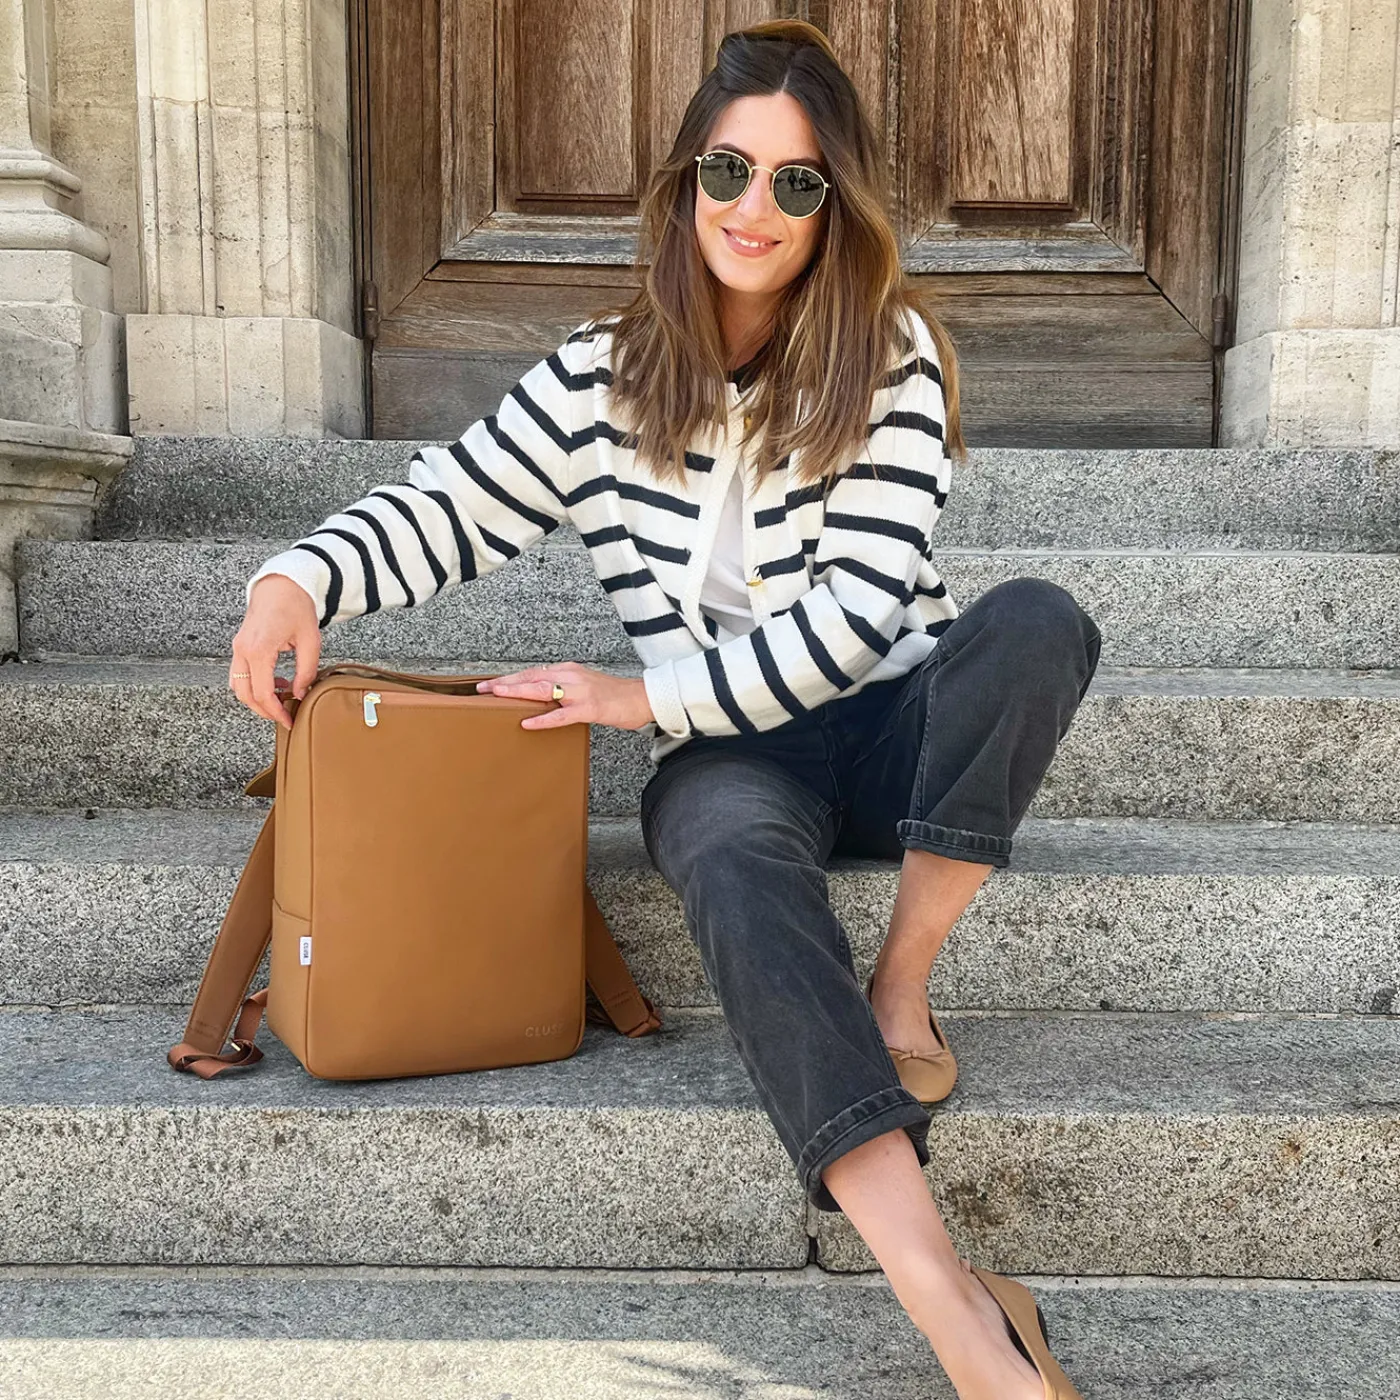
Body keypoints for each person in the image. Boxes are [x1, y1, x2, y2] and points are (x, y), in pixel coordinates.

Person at [232, 19, 1100, 1400]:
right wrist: (299, 580)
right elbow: (455, 503)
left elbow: (855, 620)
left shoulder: (893, 356)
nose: (756, 208)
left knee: (1038, 622)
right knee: (722, 848)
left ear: (836, 205)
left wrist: (636, 697)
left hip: (889, 723)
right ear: (687, 178)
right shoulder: (602, 371)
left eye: (798, 183)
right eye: (729, 170)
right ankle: (951, 1303)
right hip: (731, 758)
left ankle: (901, 980)